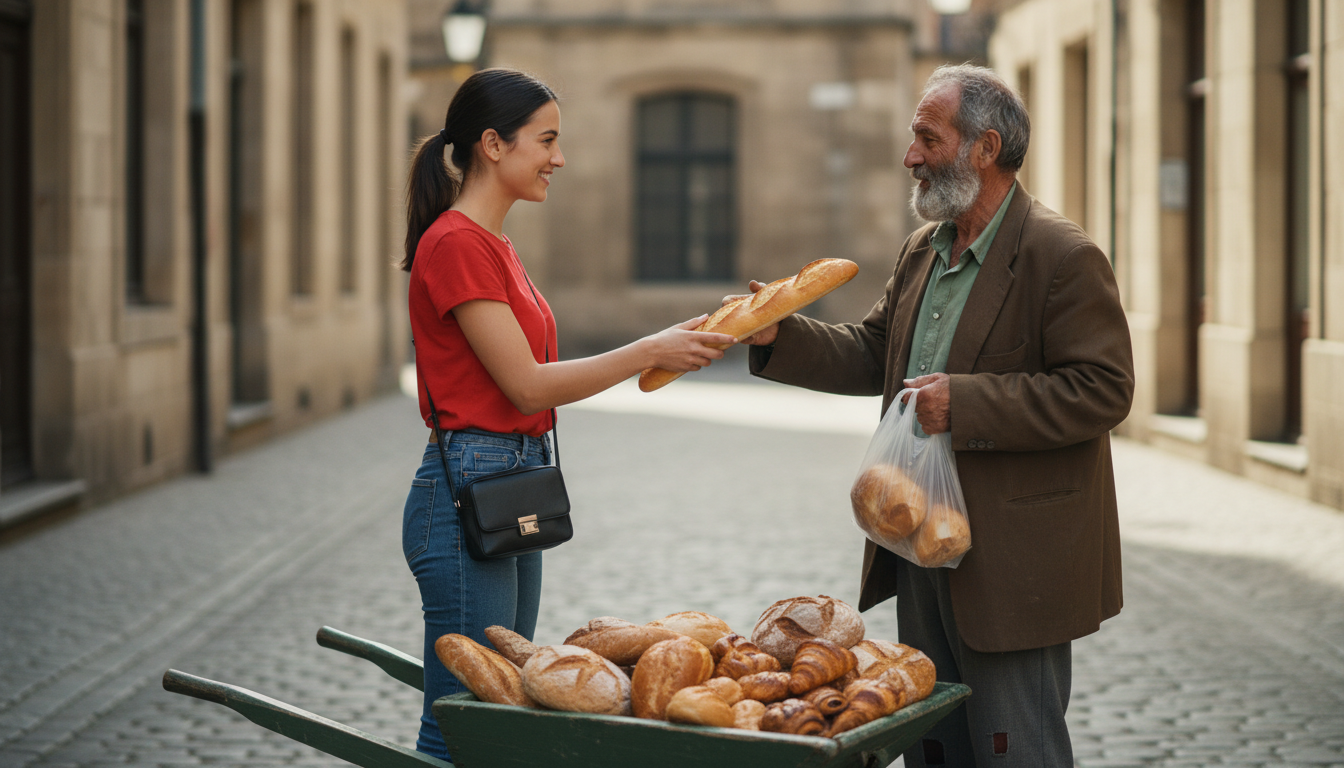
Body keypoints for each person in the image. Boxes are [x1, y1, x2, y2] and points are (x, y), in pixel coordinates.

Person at [735, 64, 1134, 767]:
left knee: (1016, 747)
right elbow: (875, 353)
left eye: (927, 137)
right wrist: (780, 334)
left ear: (984, 148)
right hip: (920, 537)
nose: (910, 156)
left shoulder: (1062, 255)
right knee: (933, 744)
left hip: (1014, 559)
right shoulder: (925, 247)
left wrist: (967, 401)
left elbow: (1103, 388)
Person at [400, 68, 736, 761]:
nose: (559, 157)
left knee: (507, 706)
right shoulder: (458, 243)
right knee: (460, 725)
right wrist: (649, 348)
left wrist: (667, 342)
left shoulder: (495, 244)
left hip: (511, 482)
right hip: (469, 486)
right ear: (493, 144)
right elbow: (526, 386)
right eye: (546, 140)